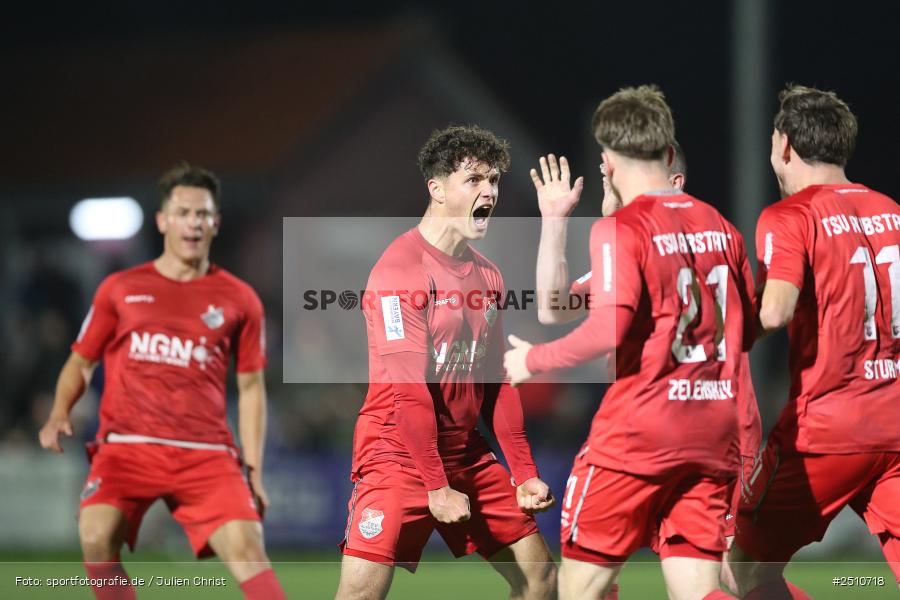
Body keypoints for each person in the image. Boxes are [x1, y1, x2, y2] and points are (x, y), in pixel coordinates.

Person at [504, 85, 756, 600]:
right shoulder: (723, 228)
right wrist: (555, 220)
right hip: (712, 435)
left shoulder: (625, 230)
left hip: (639, 433)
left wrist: (534, 359)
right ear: (666, 153)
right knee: (701, 589)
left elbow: (603, 330)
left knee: (582, 588)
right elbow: (554, 306)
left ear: (609, 161)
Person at [38, 163, 285, 600]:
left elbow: (250, 389)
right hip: (128, 446)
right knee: (96, 538)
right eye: (184, 212)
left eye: (203, 214)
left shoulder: (240, 298)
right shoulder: (119, 289)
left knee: (249, 551)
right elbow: (82, 361)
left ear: (215, 223)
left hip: (205, 452)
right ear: (163, 220)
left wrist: (254, 469)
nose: (194, 222)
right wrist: (60, 411)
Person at [335, 125, 557, 600]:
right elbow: (408, 391)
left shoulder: (488, 275)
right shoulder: (399, 271)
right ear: (435, 190)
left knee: (541, 580)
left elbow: (495, 381)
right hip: (396, 453)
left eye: (494, 181)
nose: (489, 192)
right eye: (474, 180)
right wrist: (436, 486)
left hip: (464, 453)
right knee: (360, 594)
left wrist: (524, 472)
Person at [729, 85, 900, 598]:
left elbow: (776, 309)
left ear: (784, 145)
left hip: (824, 431)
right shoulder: (892, 210)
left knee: (736, 569)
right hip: (895, 425)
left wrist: (709, 338)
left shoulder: (791, 215)